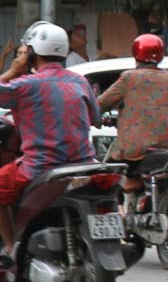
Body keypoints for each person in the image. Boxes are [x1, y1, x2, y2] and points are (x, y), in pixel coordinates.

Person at [0, 21, 99, 265]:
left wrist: (13, 70)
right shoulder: (80, 82)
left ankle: (12, 247)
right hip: (85, 164)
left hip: (41, 166)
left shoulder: (27, 85)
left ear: (31, 53)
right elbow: (95, 117)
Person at [97, 34, 168, 192]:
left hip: (136, 150)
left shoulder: (129, 78)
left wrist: (96, 117)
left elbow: (102, 103)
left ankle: (122, 202)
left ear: (136, 54)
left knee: (110, 173)